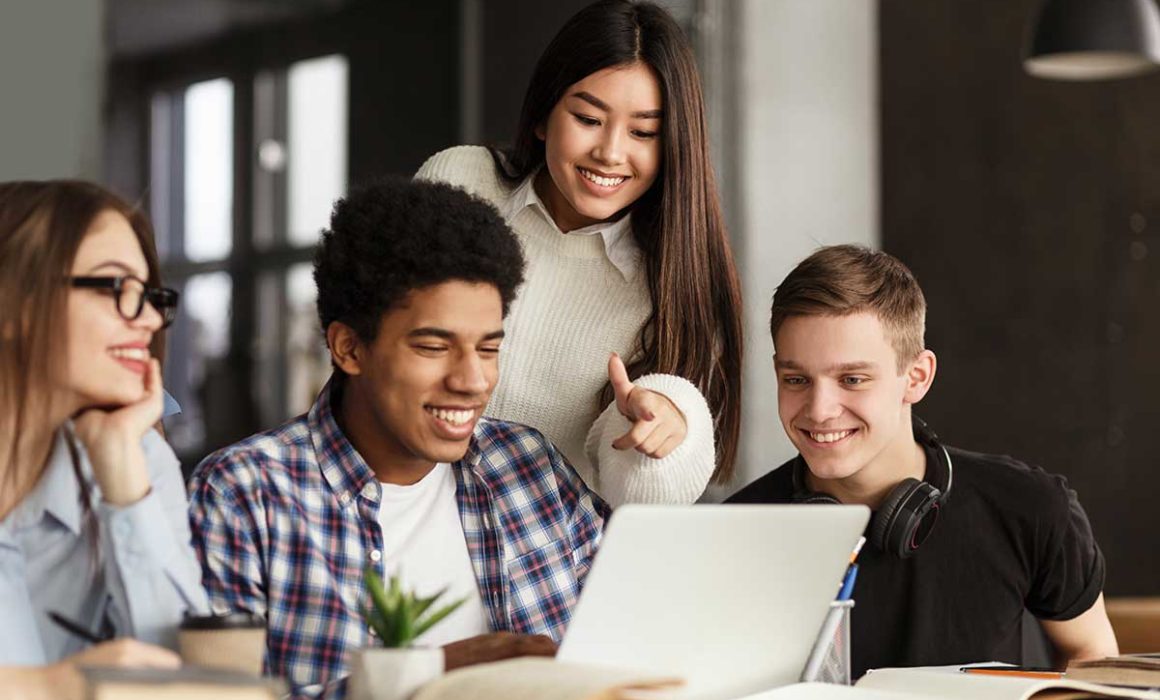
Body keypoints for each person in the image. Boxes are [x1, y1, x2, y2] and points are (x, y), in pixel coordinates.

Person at [188, 179, 609, 699]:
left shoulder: (528, 466)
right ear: (349, 348)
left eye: (488, 349)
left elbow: (630, 642)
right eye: (434, 347)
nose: (472, 381)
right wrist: (428, 676)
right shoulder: (245, 492)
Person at [728, 245, 1119, 676]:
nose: (819, 409)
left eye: (852, 379)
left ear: (916, 377)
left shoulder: (1032, 508)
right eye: (796, 379)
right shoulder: (733, 532)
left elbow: (1094, 664)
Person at [416, 0, 744, 506]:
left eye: (643, 132)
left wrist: (664, 438)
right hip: (395, 516)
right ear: (545, 115)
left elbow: (639, 503)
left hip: (540, 563)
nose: (611, 152)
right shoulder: (461, 182)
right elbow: (370, 348)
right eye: (589, 118)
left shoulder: (673, 282)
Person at [0, 181, 208, 699]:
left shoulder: (138, 455)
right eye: (118, 288)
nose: (152, 320)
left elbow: (187, 680)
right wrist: (50, 687)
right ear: (14, 303)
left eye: (153, 297)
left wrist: (121, 469)